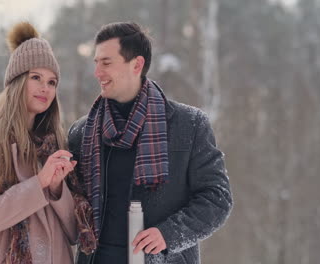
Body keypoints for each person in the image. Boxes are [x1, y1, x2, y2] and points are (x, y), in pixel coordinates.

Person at [68, 22, 233, 264]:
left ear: (137, 64)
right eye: (96, 63)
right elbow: (68, 205)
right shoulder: (82, 132)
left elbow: (217, 198)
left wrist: (169, 234)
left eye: (106, 63)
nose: (97, 73)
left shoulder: (189, 125)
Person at [0, 22, 78, 264]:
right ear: (16, 81)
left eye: (52, 82)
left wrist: (56, 189)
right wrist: (40, 183)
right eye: (36, 77)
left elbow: (76, 232)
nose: (45, 88)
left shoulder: (56, 144)